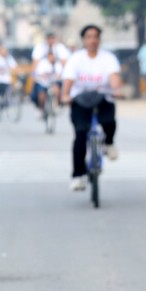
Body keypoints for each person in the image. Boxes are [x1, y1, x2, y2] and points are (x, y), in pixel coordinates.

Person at [60, 24, 123, 191]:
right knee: (80, 135)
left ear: (100, 39)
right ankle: (78, 175)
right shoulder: (76, 59)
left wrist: (117, 90)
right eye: (89, 37)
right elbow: (68, 81)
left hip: (103, 97)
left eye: (95, 36)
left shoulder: (108, 58)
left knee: (109, 121)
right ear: (84, 40)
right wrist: (65, 95)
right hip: (80, 100)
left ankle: (108, 143)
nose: (92, 40)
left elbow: (114, 78)